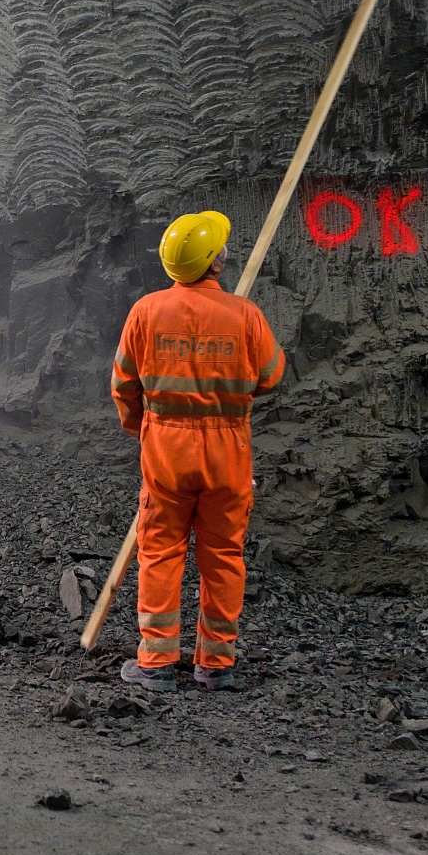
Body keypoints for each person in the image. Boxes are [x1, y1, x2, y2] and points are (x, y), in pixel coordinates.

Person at [109, 210, 283, 692]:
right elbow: (271, 376)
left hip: (165, 449)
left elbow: (123, 385)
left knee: (160, 552)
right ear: (217, 264)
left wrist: (143, 432)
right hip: (227, 452)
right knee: (223, 556)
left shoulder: (145, 312)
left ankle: (156, 664)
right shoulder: (244, 315)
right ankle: (215, 665)